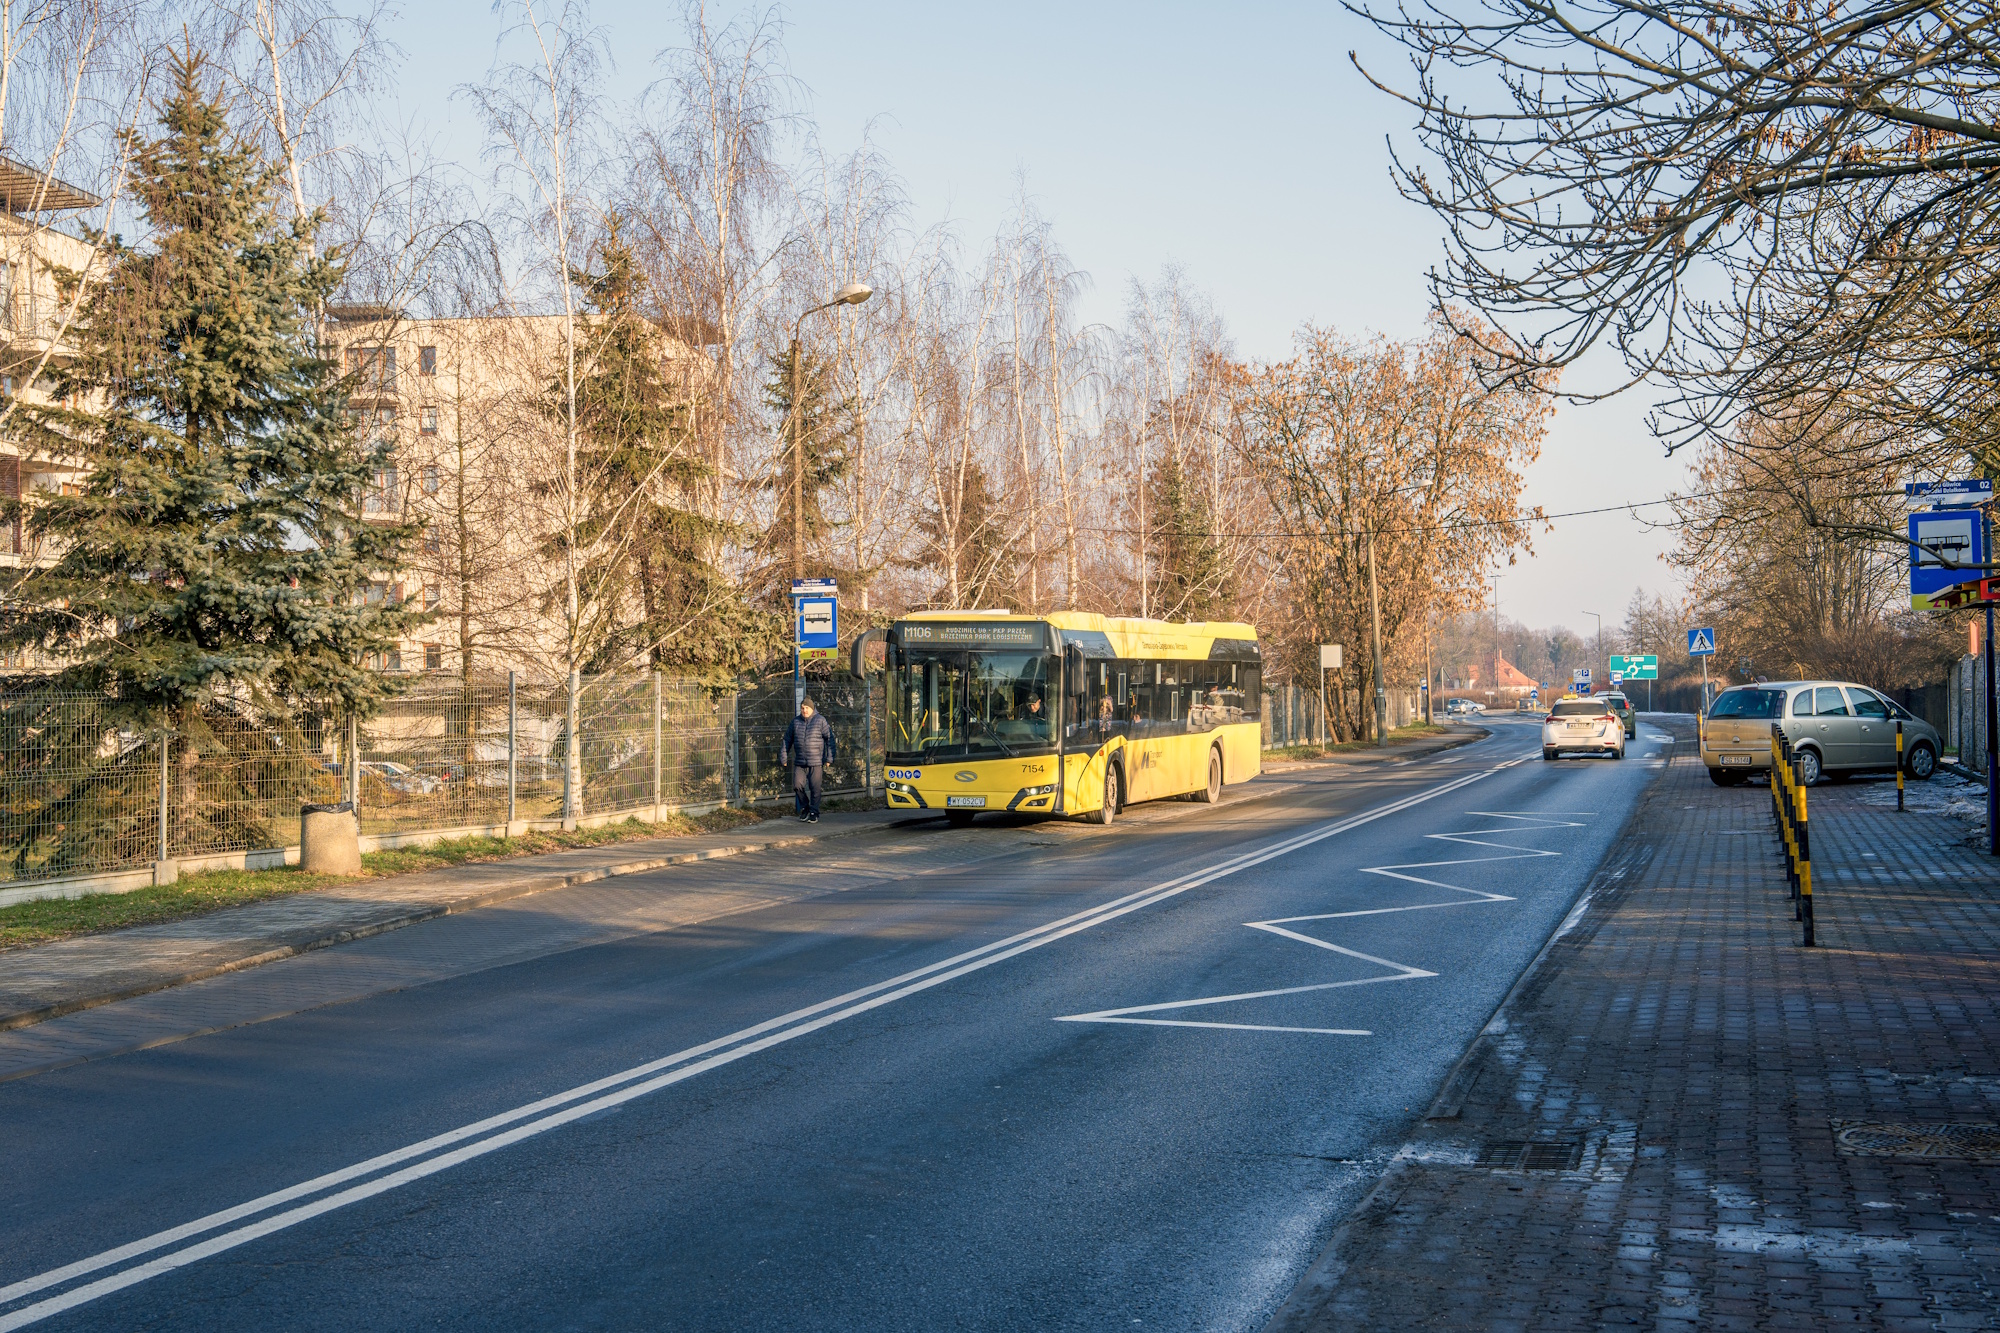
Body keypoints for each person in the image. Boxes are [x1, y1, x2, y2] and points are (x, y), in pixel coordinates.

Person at [782, 696, 836, 822]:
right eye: (802, 708)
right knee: (797, 785)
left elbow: (830, 739)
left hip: (816, 762)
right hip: (800, 762)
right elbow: (787, 740)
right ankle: (805, 807)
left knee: (815, 788)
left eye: (806, 708)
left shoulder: (820, 721)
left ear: (812, 709)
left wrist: (829, 758)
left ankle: (814, 812)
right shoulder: (795, 722)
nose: (804, 710)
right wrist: (784, 756)